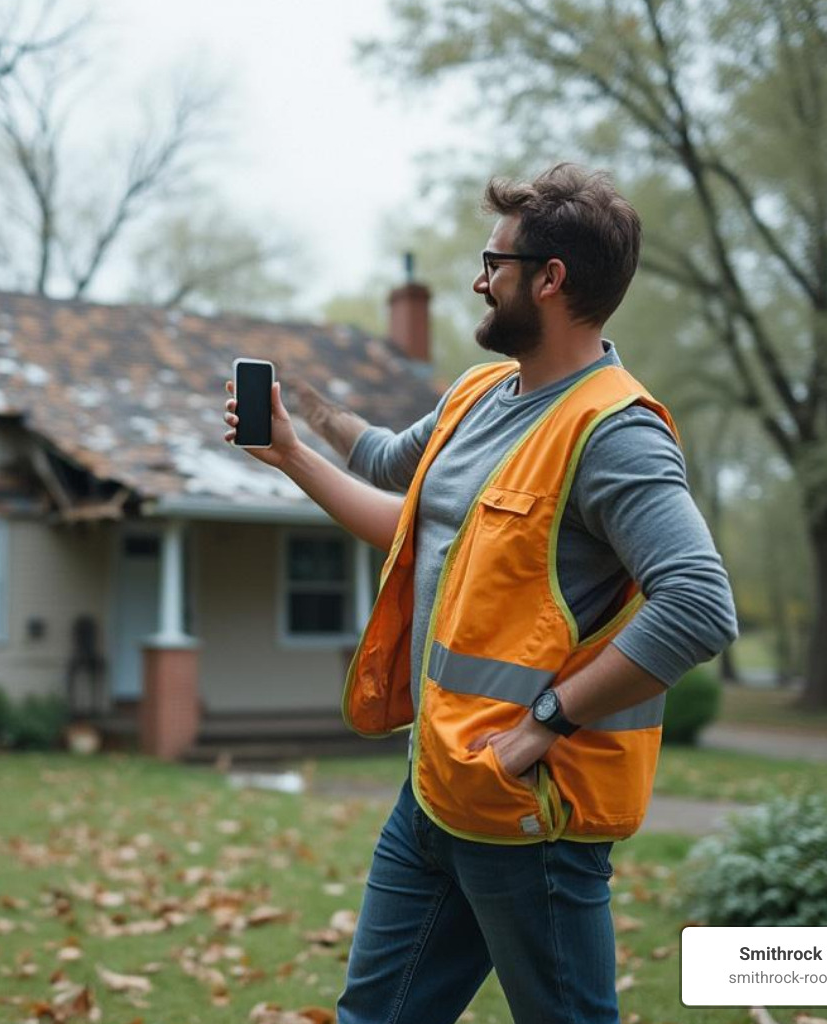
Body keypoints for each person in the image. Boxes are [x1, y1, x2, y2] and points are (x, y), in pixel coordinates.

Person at [221, 164, 737, 1024]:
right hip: (435, 792)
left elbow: (699, 602)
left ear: (551, 279)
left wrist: (543, 725)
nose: (480, 278)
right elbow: (397, 482)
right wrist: (294, 435)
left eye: (495, 262)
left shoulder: (613, 431)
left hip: (530, 816)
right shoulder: (480, 395)